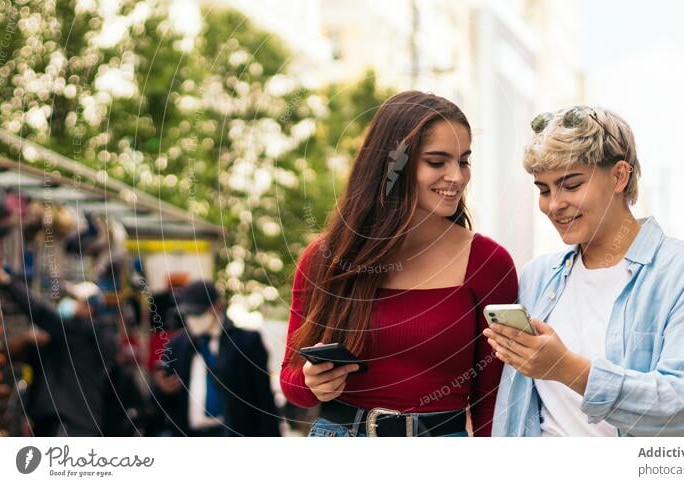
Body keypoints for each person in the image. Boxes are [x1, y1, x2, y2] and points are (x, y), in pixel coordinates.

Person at [279, 91, 518, 437]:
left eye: (464, 161)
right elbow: (291, 381)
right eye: (437, 162)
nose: (458, 177)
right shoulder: (323, 258)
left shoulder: (489, 264)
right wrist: (311, 382)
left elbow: (491, 399)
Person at [489, 106, 684, 437]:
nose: (554, 204)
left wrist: (566, 369)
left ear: (620, 176)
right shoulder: (536, 277)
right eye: (544, 190)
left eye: (570, 185)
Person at [0, 267, 117, 436]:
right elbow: (12, 354)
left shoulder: (78, 333)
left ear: (89, 309)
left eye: (76, 300)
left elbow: (40, 312)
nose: (69, 303)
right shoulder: (71, 339)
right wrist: (26, 339)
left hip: (68, 425)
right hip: (77, 423)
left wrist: (7, 281)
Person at [152, 280, 281, 436]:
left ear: (217, 306)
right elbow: (160, 404)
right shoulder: (177, 345)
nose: (192, 318)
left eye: (198, 312)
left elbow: (264, 400)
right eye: (188, 313)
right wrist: (161, 388)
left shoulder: (246, 343)